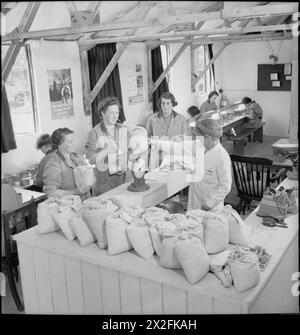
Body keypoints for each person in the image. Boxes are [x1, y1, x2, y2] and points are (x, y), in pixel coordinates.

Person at [85, 97, 128, 196]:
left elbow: (130, 153)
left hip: (124, 183)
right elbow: (90, 160)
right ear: (103, 113)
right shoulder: (95, 133)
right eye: (112, 113)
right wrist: (106, 150)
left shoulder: (123, 129)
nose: (115, 116)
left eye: (117, 113)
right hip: (104, 187)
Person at [188, 118, 232, 211]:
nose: (198, 140)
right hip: (194, 201)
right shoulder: (200, 147)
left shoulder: (221, 156)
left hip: (211, 207)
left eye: (200, 138)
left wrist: (209, 205)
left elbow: (225, 186)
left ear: (207, 136)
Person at [43, 128, 91, 200]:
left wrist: (90, 180)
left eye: (74, 140)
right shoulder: (53, 165)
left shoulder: (78, 157)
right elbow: (51, 193)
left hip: (86, 202)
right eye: (71, 141)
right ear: (59, 145)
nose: (75, 143)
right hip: (69, 207)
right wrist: (75, 192)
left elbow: (89, 178)